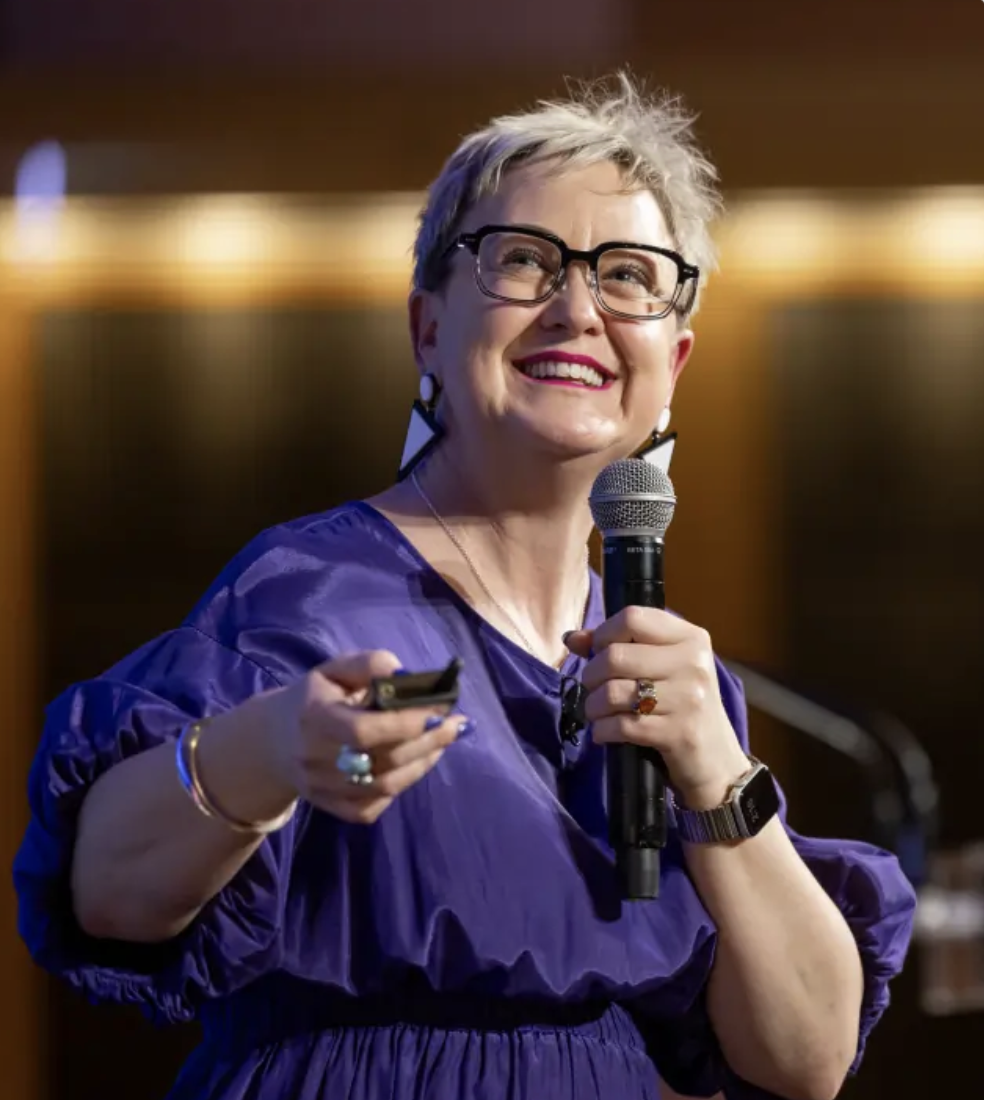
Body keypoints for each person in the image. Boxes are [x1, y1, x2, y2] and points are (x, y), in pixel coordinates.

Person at [14, 73, 915, 1100]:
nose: (577, 308)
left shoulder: (666, 671)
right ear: (427, 328)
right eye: (524, 260)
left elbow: (805, 1058)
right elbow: (108, 893)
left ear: (673, 361)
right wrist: (272, 750)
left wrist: (717, 773)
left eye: (628, 275)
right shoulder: (312, 594)